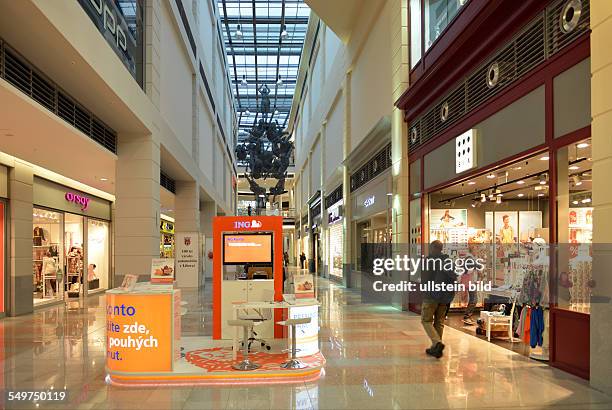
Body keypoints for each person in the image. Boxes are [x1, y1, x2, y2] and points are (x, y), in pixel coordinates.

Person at [421, 240, 457, 359]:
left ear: (432, 248)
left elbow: (424, 279)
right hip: (445, 296)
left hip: (431, 296)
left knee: (426, 320)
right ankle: (436, 348)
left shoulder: (428, 261)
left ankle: (437, 343)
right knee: (439, 322)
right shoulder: (448, 261)